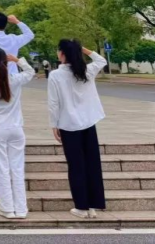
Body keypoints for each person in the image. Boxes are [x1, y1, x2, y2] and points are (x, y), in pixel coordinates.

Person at [48, 39, 108, 220]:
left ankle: (81, 206)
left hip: (68, 124)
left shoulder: (56, 75)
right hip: (89, 123)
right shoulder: (86, 70)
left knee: (76, 166)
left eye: (59, 50)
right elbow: (101, 60)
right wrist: (83, 49)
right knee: (92, 164)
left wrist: (54, 124)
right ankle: (93, 205)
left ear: (62, 54)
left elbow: (53, 103)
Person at [0, 48, 35, 220]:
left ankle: (7, 208)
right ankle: (21, 209)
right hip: (16, 128)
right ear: (6, 61)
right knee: (17, 169)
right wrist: (18, 60)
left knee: (2, 169)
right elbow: (30, 72)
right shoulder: (15, 79)